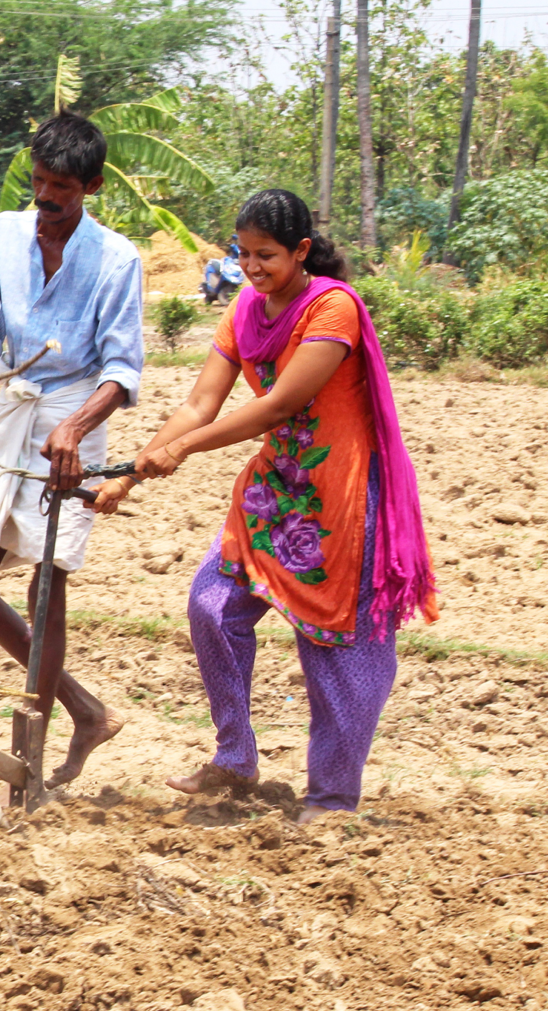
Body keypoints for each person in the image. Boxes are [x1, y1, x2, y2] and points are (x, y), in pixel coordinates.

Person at [90, 188, 439, 824]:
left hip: (341, 498)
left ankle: (331, 798)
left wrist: (185, 451)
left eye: (267, 256)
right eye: (242, 254)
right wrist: (129, 477)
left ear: (302, 251)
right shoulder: (244, 310)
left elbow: (277, 407)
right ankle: (235, 757)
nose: (251, 269)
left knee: (336, 644)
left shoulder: (331, 309)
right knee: (211, 605)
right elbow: (200, 404)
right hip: (277, 492)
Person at [0, 112, 141, 789]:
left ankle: (27, 754)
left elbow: (124, 370)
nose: (46, 199)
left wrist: (76, 428)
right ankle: (85, 708)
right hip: (12, 406)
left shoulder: (118, 259)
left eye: (61, 186)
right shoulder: (0, 235)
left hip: (72, 419)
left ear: (89, 186)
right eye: (38, 182)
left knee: (46, 586)